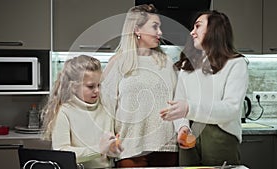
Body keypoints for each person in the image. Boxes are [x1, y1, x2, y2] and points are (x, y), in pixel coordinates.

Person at [160, 10, 249, 166]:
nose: (192, 32)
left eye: (198, 26)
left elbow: (231, 108)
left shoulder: (236, 63)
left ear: (214, 30)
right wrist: (182, 127)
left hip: (220, 137)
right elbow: (179, 102)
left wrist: (189, 108)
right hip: (189, 136)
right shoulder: (187, 65)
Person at [100, 4, 178, 168]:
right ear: (137, 29)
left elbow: (177, 102)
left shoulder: (167, 63)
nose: (160, 33)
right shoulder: (119, 63)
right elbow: (106, 106)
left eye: (160, 27)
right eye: (155, 27)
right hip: (129, 147)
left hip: (166, 147)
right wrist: (108, 141)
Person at [41, 55, 123, 168]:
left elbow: (107, 151)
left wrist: (113, 150)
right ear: (74, 87)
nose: (97, 90)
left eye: (99, 85)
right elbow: (62, 153)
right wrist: (98, 149)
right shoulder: (64, 112)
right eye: (91, 86)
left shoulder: (105, 107)